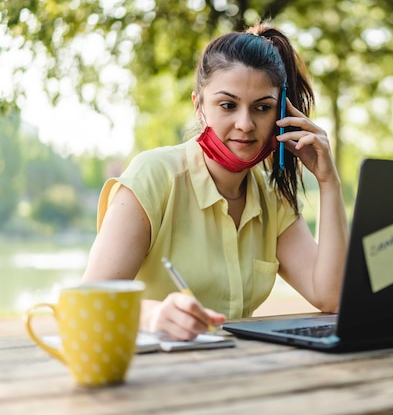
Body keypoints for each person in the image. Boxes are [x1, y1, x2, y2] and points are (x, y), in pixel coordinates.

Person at [81, 23, 349, 341]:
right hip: (150, 376)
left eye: (262, 108)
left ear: (280, 113)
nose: (245, 124)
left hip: (235, 374)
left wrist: (328, 181)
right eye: (228, 105)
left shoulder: (272, 198)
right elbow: (89, 299)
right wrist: (152, 315)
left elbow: (331, 296)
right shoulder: (153, 175)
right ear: (199, 106)